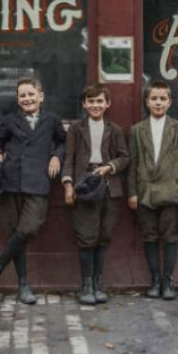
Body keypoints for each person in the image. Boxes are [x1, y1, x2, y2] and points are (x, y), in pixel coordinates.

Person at [0, 77, 66, 304]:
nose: (27, 99)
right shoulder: (9, 120)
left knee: (28, 228)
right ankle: (23, 286)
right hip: (11, 180)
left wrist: (57, 157)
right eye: (22, 96)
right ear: (18, 100)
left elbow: (63, 142)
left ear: (41, 96)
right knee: (15, 233)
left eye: (31, 94)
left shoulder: (51, 120)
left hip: (39, 181)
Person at [61, 83, 129, 305]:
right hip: (85, 186)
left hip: (109, 186)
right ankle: (86, 285)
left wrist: (109, 167)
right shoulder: (76, 129)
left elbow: (125, 157)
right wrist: (69, 186)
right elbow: (68, 159)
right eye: (90, 101)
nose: (95, 105)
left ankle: (99, 283)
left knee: (104, 235)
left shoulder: (115, 129)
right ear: (84, 104)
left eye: (100, 101)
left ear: (107, 103)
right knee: (87, 236)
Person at [127, 79, 178, 300]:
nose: (158, 103)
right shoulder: (137, 130)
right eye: (154, 99)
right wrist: (133, 192)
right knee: (149, 236)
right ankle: (155, 280)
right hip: (146, 192)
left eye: (162, 99)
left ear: (170, 102)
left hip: (171, 190)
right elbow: (134, 163)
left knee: (170, 236)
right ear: (147, 102)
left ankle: (168, 281)